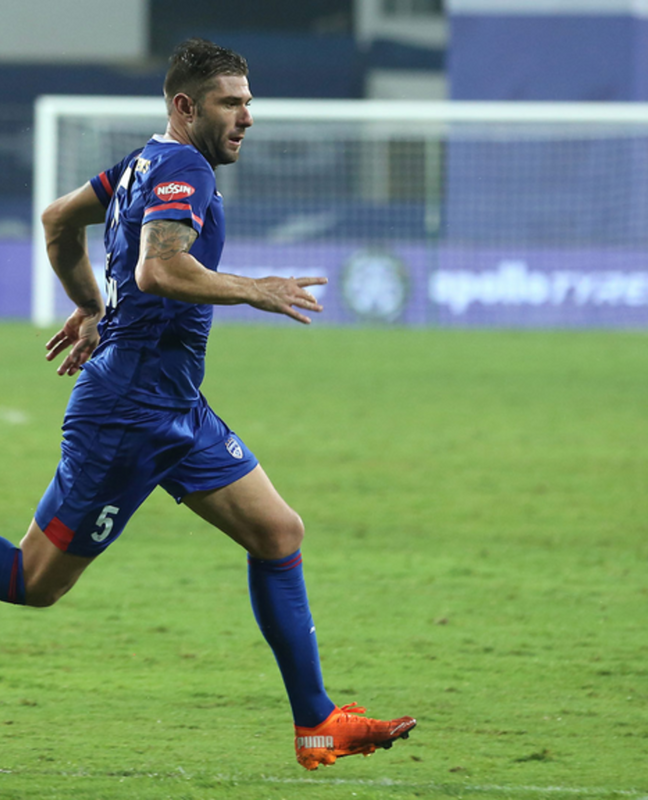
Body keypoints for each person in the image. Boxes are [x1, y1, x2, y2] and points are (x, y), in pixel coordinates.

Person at [0, 38, 415, 771]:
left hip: (174, 404)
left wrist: (95, 308)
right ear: (186, 106)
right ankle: (316, 719)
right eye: (231, 103)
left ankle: (318, 723)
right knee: (31, 583)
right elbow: (160, 269)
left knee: (278, 532)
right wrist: (257, 289)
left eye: (249, 102)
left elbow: (58, 221)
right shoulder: (183, 169)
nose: (247, 116)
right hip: (128, 412)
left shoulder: (140, 163)